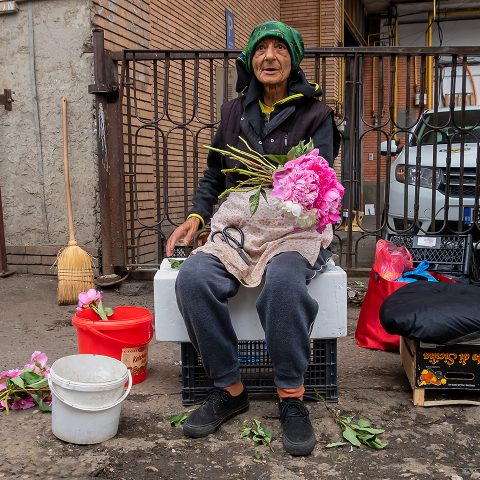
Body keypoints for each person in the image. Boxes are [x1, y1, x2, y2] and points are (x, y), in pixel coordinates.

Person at [166, 20, 340, 456]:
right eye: (261, 49)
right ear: (249, 59)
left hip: (293, 225)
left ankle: (291, 397)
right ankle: (229, 387)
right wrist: (194, 215)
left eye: (280, 48)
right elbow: (213, 174)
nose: (269, 57)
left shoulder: (316, 114)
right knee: (193, 279)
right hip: (239, 223)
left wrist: (294, 185)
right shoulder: (232, 112)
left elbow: (321, 179)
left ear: (293, 60)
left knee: (283, 285)